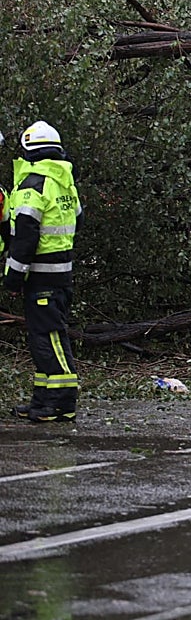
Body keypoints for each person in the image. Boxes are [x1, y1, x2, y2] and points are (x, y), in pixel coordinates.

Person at [5, 122, 82, 423]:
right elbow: (78, 219)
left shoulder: (32, 184)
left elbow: (24, 237)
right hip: (59, 272)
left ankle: (62, 402)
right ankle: (43, 400)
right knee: (43, 338)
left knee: (50, 338)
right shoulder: (63, 182)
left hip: (40, 275)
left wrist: (13, 277)